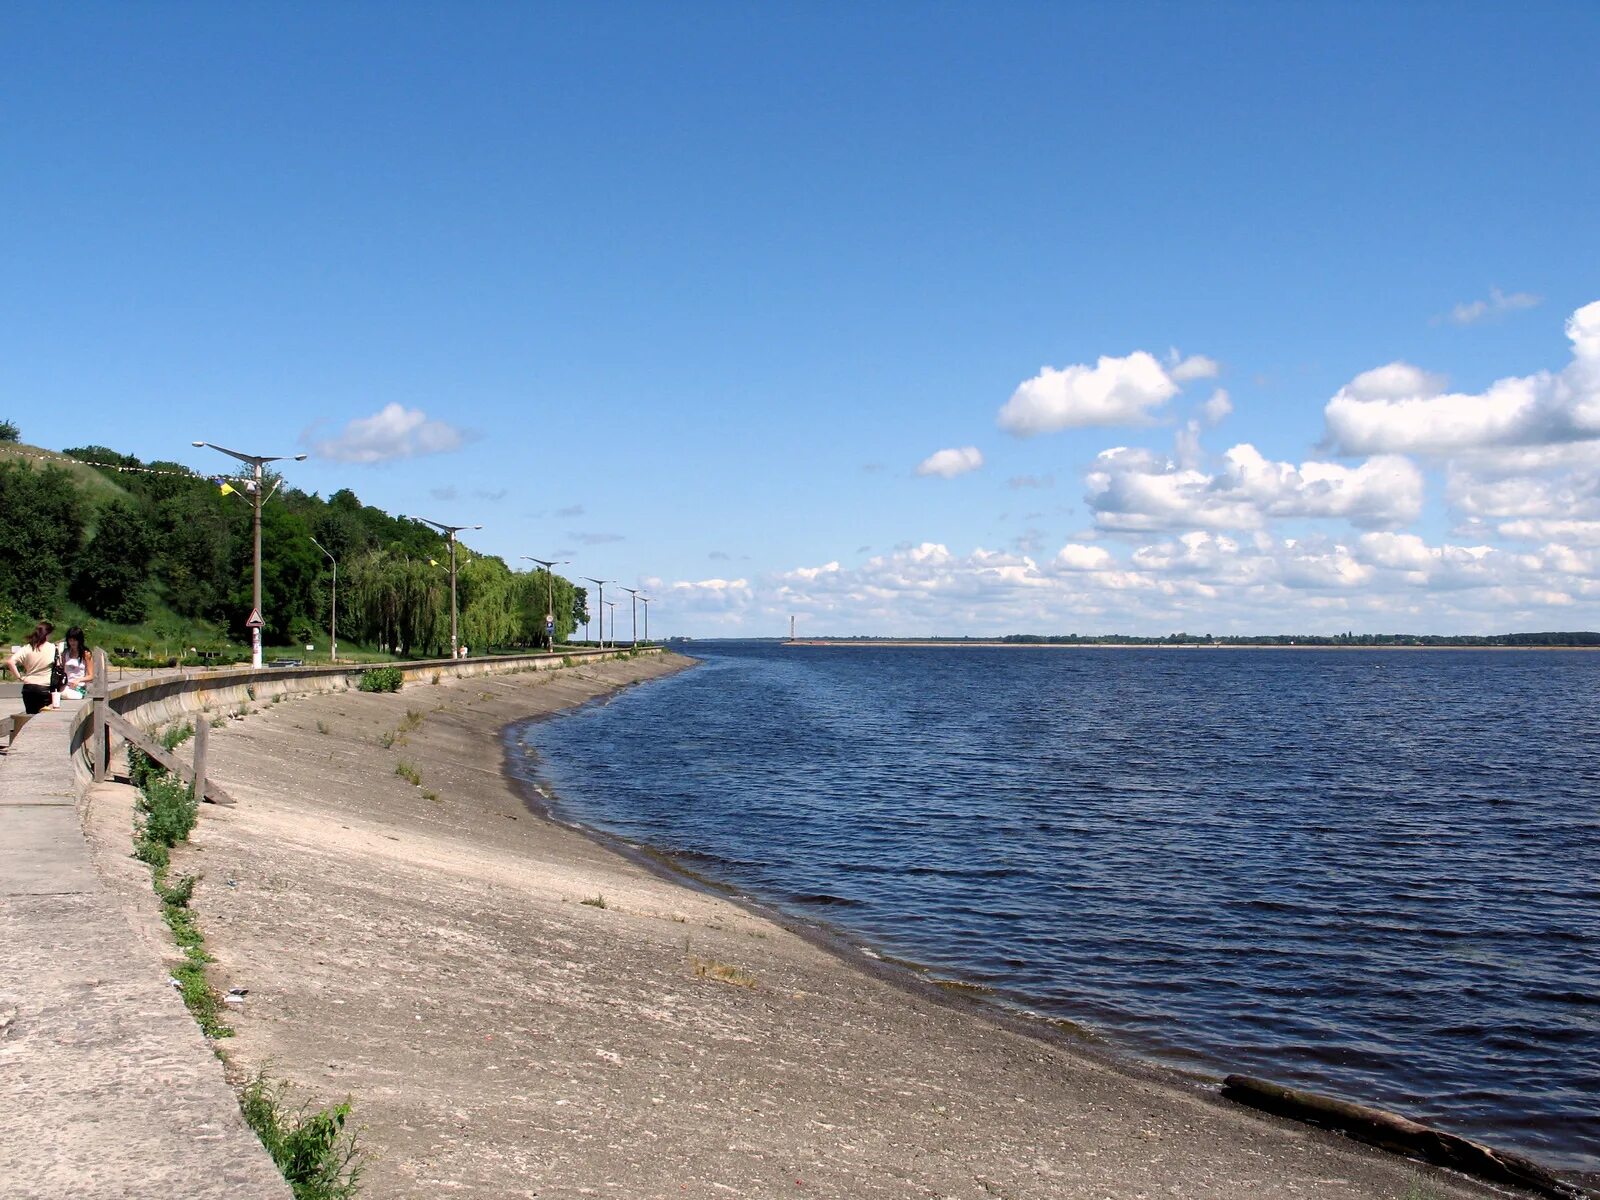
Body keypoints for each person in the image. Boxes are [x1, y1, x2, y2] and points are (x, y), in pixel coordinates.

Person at [6, 620, 57, 714]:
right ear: (47, 634)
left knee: (30, 716)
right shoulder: (53, 648)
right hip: (44, 687)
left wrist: (20, 677)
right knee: (45, 717)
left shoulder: (27, 648)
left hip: (28, 687)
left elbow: (10, 662)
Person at [61, 626, 95, 700]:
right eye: (70, 640)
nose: (72, 642)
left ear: (79, 640)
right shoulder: (65, 653)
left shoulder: (86, 654)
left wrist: (79, 680)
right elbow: (63, 671)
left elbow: (91, 676)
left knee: (67, 695)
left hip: (79, 687)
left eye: (75, 640)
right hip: (66, 685)